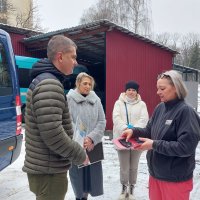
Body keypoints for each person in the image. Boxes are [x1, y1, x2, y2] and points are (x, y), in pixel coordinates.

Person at [22, 35, 88, 200]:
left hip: (46, 168)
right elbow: (53, 134)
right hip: (48, 171)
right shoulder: (49, 85)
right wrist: (79, 154)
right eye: (72, 57)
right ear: (60, 57)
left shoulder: (45, 80)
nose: (75, 62)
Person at [122, 70, 200, 200]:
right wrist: (134, 131)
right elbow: (149, 131)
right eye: (158, 88)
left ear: (176, 88)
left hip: (175, 180)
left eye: (162, 88)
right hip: (156, 175)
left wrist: (154, 144)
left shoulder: (186, 112)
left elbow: (186, 147)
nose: (158, 92)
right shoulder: (160, 108)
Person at [67, 72, 106, 200]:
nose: (88, 86)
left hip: (93, 145)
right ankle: (79, 197)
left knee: (91, 177)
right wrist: (81, 139)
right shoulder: (70, 99)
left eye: (90, 84)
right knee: (78, 176)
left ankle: (86, 197)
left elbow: (102, 121)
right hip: (77, 144)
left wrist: (91, 138)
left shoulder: (96, 99)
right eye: (85, 83)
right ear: (78, 83)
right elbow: (67, 121)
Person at [112, 80, 149, 200]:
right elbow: (116, 117)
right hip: (122, 138)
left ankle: (132, 187)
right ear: (125, 91)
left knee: (134, 165)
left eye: (133, 90)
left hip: (136, 139)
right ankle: (124, 188)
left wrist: (133, 130)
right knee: (124, 165)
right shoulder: (119, 103)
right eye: (129, 90)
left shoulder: (142, 104)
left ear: (137, 92)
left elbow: (144, 119)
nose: (131, 92)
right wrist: (124, 129)